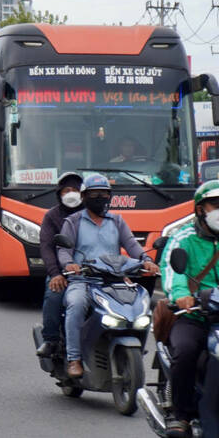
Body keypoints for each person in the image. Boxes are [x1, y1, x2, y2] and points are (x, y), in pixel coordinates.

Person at [57, 174, 159, 378]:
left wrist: (146, 259)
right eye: (94, 194)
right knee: (76, 304)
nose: (99, 198)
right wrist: (69, 264)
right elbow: (63, 250)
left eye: (104, 194)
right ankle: (74, 358)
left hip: (114, 280)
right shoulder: (73, 221)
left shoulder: (117, 221)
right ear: (83, 197)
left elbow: (132, 245)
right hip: (83, 280)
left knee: (141, 305)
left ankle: (135, 347)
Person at [159, 180, 219, 438]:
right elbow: (172, 273)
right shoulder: (183, 237)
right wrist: (182, 295)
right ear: (200, 209)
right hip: (195, 315)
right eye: (215, 205)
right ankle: (181, 414)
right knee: (185, 351)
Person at [35, 172, 83, 357]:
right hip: (63, 271)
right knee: (54, 295)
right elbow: (47, 247)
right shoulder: (52, 216)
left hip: (93, 272)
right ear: (59, 193)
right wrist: (55, 273)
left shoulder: (92, 215)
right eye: (66, 190)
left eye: (75, 190)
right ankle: (51, 340)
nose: (71, 194)